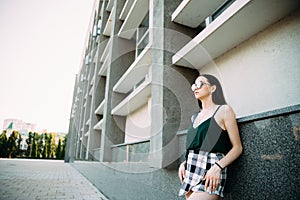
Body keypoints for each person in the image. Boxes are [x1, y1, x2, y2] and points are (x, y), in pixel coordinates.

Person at [178, 74, 243, 200]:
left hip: (211, 169)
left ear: (213, 88)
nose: (195, 88)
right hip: (191, 170)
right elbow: (197, 145)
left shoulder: (224, 110)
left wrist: (217, 167)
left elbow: (237, 148)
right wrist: (184, 163)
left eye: (200, 84)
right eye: (194, 86)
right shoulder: (195, 117)